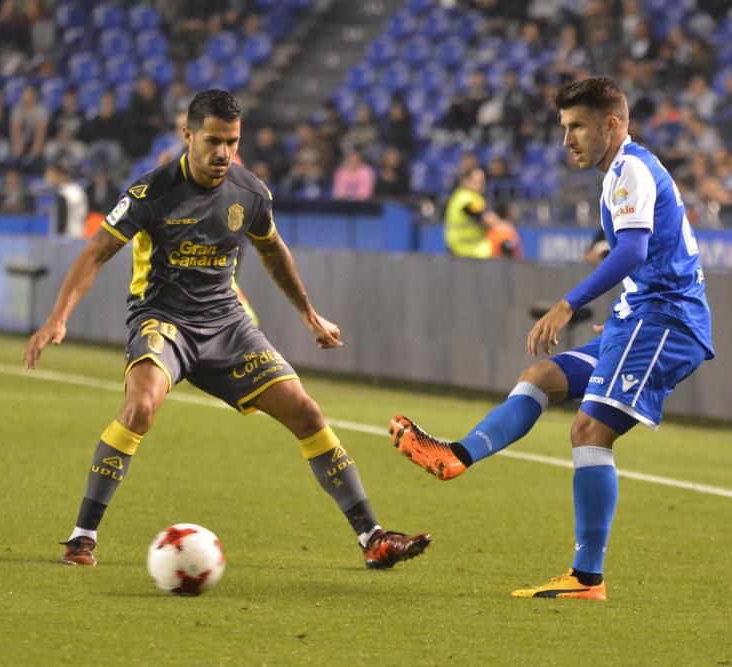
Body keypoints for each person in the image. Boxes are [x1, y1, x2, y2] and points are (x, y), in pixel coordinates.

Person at [23, 90, 430, 570]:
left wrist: (309, 313)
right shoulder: (150, 192)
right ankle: (82, 537)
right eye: (213, 141)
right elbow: (95, 252)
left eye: (232, 142)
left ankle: (373, 538)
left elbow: (274, 251)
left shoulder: (250, 192)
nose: (223, 153)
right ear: (188, 135)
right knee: (141, 406)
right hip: (163, 320)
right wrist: (58, 317)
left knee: (306, 412)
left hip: (227, 324)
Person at [389, 77, 714, 600]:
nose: (567, 140)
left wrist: (568, 305)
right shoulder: (623, 172)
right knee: (541, 377)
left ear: (611, 124)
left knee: (588, 432)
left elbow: (632, 253)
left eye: (577, 126)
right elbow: (652, 258)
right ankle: (455, 455)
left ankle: (588, 579)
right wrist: (624, 316)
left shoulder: (630, 168)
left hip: (665, 322)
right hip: (642, 318)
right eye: (564, 127)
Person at [443, 167, 505, 258]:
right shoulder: (464, 197)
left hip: (474, 248)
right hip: (465, 249)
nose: (481, 184)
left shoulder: (474, 197)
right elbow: (481, 216)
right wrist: (502, 224)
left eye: (482, 181)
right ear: (466, 181)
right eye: (477, 181)